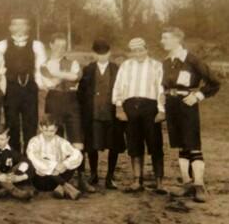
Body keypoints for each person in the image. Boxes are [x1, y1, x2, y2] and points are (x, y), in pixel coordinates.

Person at [160, 27, 220, 202]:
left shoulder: (192, 59)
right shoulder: (166, 61)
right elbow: (165, 85)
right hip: (172, 106)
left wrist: (198, 95)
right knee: (181, 145)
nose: (162, 41)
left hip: (188, 106)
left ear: (177, 39)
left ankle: (199, 185)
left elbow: (214, 82)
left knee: (192, 143)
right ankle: (187, 182)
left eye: (165, 38)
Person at [41, 32, 95, 193]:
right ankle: (60, 181)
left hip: (72, 102)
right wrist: (66, 76)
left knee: (77, 141)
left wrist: (57, 75)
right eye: (57, 46)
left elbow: (76, 77)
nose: (60, 49)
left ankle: (81, 178)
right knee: (54, 139)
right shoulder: (44, 64)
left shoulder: (73, 62)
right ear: (50, 45)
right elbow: (49, 83)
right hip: (54, 101)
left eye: (63, 46)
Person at [112, 37, 166, 194]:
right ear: (130, 52)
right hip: (130, 107)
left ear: (146, 49)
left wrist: (161, 110)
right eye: (134, 51)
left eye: (141, 50)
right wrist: (119, 108)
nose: (138, 53)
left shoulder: (156, 66)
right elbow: (118, 87)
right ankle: (137, 180)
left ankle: (159, 182)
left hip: (150, 107)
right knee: (134, 144)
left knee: (155, 143)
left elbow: (161, 89)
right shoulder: (125, 66)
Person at [77, 39, 126, 190]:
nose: (102, 56)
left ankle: (110, 177)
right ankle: (93, 174)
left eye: (105, 53)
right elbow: (81, 93)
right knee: (92, 144)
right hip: (93, 113)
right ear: (94, 54)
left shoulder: (117, 69)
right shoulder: (88, 69)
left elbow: (123, 89)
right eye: (98, 54)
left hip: (111, 113)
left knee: (114, 145)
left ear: (109, 53)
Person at [0, 14, 46, 153]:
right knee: (12, 123)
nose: (19, 27)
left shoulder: (37, 45)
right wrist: (1, 90)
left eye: (22, 24)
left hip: (29, 88)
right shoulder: (2, 45)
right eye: (15, 24)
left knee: (30, 123)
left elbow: (40, 68)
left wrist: (40, 85)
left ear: (28, 27)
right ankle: (15, 155)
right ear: (10, 27)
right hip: (10, 89)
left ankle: (29, 157)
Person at [26, 115, 83, 200]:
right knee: (44, 161)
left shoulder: (60, 141)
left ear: (56, 129)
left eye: (52, 131)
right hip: (41, 181)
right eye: (46, 130)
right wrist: (54, 166)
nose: (49, 134)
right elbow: (33, 159)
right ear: (40, 128)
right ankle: (66, 186)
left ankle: (60, 188)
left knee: (72, 159)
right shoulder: (34, 141)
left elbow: (77, 154)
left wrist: (64, 164)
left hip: (58, 176)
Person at [0, 125, 34, 200]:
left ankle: (3, 190)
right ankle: (15, 192)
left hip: (7, 177)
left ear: (8, 139)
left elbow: (27, 162)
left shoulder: (11, 150)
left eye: (2, 139)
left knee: (24, 163)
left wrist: (19, 177)